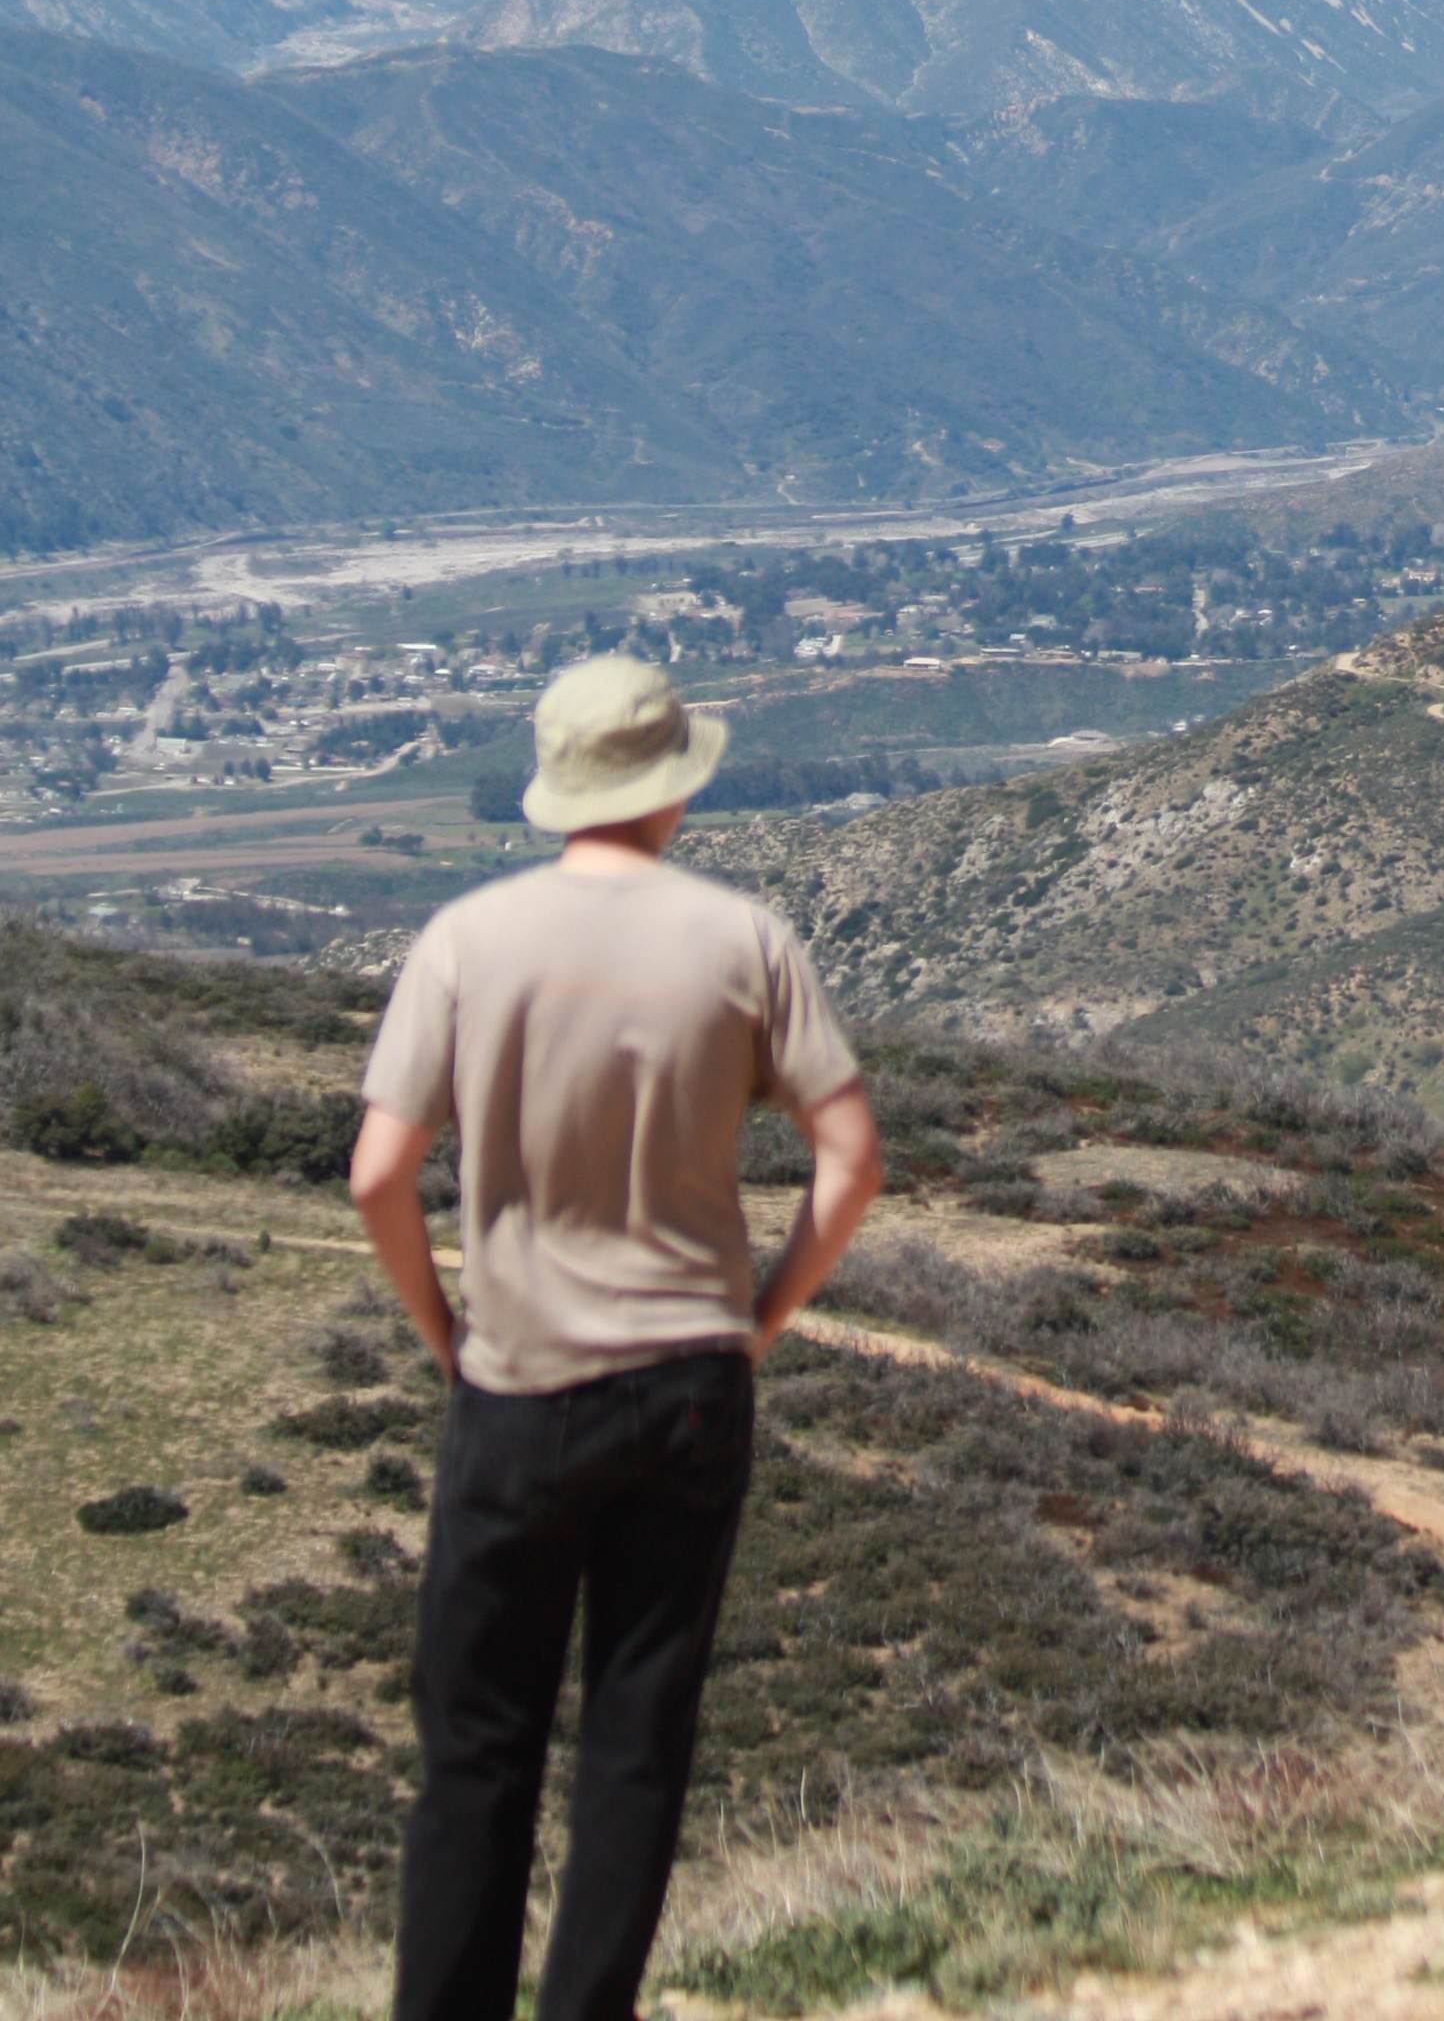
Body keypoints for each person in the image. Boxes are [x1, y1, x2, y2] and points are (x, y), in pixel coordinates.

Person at [351, 653, 883, 2021]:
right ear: (672, 788)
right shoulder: (746, 941)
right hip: (689, 1384)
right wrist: (759, 1319)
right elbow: (851, 1159)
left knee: (477, 1748)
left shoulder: (467, 940)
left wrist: (444, 1329)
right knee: (636, 1742)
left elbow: (378, 1173)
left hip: (517, 1383)